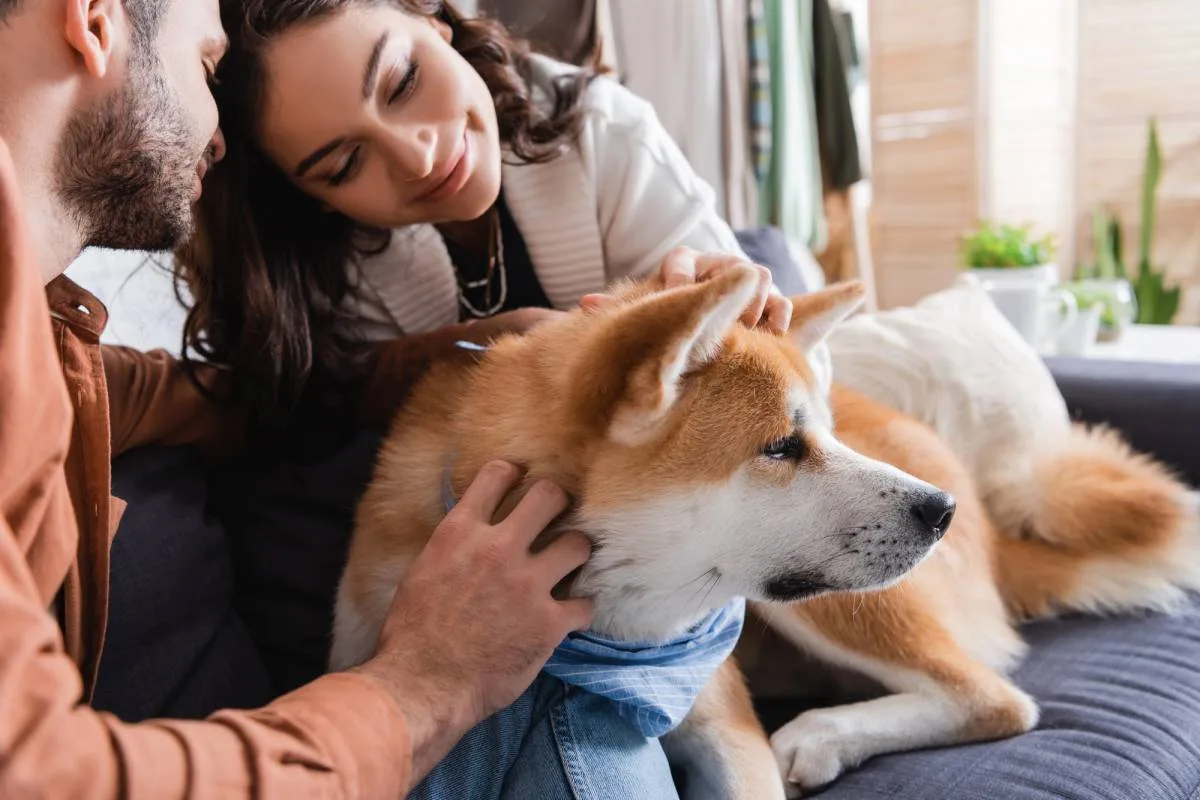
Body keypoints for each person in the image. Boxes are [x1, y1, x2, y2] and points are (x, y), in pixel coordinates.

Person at [0, 0, 598, 795]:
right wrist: (431, 680)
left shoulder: (35, 331)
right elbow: (46, 776)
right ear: (95, 20)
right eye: (207, 67)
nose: (218, 134)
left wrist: (436, 361)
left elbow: (194, 400)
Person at [177, 0, 796, 438]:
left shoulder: (610, 134)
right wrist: (448, 354)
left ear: (433, 16)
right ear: (309, 197)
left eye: (403, 81)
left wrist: (730, 316)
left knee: (771, 253)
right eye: (344, 165)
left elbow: (790, 392)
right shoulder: (318, 274)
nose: (417, 156)